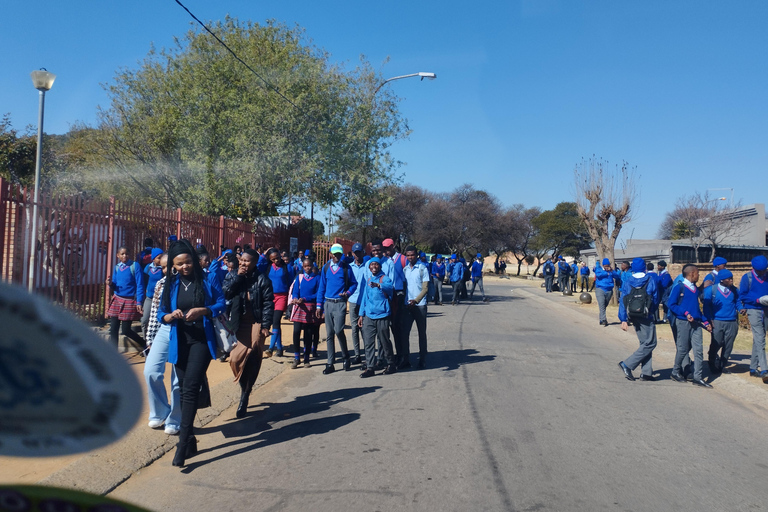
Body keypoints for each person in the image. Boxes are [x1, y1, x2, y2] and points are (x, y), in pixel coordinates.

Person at [158, 240, 226, 467]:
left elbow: (221, 303)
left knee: (189, 388)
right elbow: (162, 313)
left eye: (187, 262)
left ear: (194, 261)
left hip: (201, 341)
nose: (184, 267)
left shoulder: (208, 278)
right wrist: (170, 316)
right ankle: (191, 439)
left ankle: (181, 444)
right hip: (180, 342)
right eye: (179, 264)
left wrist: (204, 310)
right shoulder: (171, 283)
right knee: (182, 387)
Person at [222, 248, 273, 418]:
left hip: (257, 321)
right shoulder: (233, 275)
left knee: (254, 353)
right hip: (239, 322)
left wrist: (266, 325)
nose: (243, 263)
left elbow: (267, 304)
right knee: (235, 359)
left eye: (247, 261)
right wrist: (238, 276)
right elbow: (226, 292)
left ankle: (245, 396)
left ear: (255, 263)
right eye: (242, 260)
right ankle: (245, 385)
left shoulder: (263, 279)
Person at [143, 254, 181, 435]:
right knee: (151, 371)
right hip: (164, 330)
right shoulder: (160, 284)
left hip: (184, 331)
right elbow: (154, 315)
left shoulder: (189, 282)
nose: (166, 271)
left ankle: (175, 418)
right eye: (163, 267)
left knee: (178, 379)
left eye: (169, 266)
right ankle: (159, 411)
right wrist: (150, 339)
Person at [668, 264, 713, 388]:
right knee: (682, 349)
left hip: (696, 324)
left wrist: (706, 322)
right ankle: (675, 372)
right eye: (698, 273)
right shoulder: (679, 287)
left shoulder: (694, 289)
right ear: (692, 273)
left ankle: (697, 377)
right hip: (683, 322)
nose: (699, 276)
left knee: (698, 351)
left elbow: (696, 310)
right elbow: (671, 304)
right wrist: (685, 313)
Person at [317, 243, 358, 374]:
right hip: (328, 303)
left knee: (339, 330)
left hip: (340, 303)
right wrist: (319, 306)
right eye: (334, 254)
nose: (336, 257)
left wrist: (348, 293)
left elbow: (354, 284)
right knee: (329, 334)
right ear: (330, 254)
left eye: (339, 254)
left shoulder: (346, 268)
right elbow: (321, 287)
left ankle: (346, 357)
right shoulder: (326, 268)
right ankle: (330, 363)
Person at [617, 257, 659, 382]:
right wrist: (651, 311)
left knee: (644, 343)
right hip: (646, 314)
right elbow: (655, 298)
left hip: (633, 315)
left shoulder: (628, 281)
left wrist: (623, 318)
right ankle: (627, 364)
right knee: (651, 343)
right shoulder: (650, 280)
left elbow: (623, 300)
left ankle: (646, 372)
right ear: (645, 267)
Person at [357, 257, 396, 377]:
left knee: (384, 341)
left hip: (382, 315)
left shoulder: (385, 279)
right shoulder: (369, 280)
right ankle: (370, 367)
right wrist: (361, 314)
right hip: (369, 315)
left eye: (376, 264)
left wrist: (379, 285)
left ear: (380, 266)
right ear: (369, 267)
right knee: (368, 342)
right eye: (371, 265)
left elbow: (390, 289)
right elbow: (364, 298)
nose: (374, 266)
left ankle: (390, 363)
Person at [107, 246, 146, 351]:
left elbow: (140, 285)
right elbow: (114, 284)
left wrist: (139, 302)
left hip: (129, 301)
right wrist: (110, 284)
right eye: (122, 254)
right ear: (118, 255)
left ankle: (144, 344)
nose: (125, 256)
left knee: (126, 330)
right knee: (113, 329)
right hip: (117, 299)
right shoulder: (117, 267)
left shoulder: (135, 266)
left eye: (126, 253)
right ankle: (113, 352)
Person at [703, 269, 739, 375]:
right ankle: (712, 362)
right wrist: (709, 319)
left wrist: (741, 308)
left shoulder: (734, 290)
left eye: (732, 278)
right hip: (717, 320)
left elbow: (737, 301)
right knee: (716, 342)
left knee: (729, 344)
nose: (732, 280)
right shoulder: (712, 290)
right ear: (722, 280)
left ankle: (722, 365)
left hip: (732, 321)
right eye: (729, 279)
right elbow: (706, 306)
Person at [288, 257, 322, 369]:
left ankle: (306, 358)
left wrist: (305, 298)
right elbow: (295, 291)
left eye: (309, 266)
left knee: (308, 334)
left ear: (312, 266)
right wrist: (295, 298)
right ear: (302, 267)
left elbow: (318, 294)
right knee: (296, 331)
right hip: (299, 307)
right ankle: (296, 357)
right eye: (305, 266)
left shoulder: (317, 278)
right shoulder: (300, 277)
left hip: (310, 307)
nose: (307, 268)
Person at [739, 255, 768, 379]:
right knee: (760, 338)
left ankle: (752, 367)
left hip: (766, 309)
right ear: (754, 268)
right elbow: (742, 296)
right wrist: (757, 300)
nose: (763, 272)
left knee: (759, 338)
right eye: (760, 270)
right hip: (753, 309)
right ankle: (765, 370)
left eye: (764, 269)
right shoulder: (747, 278)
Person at [402, 246, 430, 369]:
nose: (410, 257)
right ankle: (406, 359)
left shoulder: (422, 268)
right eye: (408, 255)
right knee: (405, 333)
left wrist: (416, 300)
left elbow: (425, 288)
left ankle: (422, 359)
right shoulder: (405, 269)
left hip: (420, 306)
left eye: (412, 255)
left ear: (416, 255)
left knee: (421, 333)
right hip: (408, 306)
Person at [264, 248, 293, 358]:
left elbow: (291, 283)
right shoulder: (268, 267)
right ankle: (279, 348)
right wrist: (264, 254)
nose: (276, 260)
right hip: (271, 297)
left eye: (277, 258)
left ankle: (271, 348)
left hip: (282, 296)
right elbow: (258, 264)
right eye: (273, 259)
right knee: (276, 323)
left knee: (276, 320)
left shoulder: (287, 268)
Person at [382, 239, 408, 363]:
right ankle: (387, 356)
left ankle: (401, 355)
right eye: (384, 248)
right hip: (387, 296)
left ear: (393, 246)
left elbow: (408, 278)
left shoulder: (402, 259)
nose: (386, 250)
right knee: (387, 327)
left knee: (398, 327)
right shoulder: (383, 261)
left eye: (388, 247)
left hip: (399, 295)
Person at [347, 243, 369, 365]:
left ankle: (367, 354)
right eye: (355, 253)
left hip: (364, 301)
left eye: (359, 252)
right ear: (353, 253)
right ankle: (357, 354)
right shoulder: (350, 267)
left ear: (362, 252)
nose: (357, 255)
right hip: (353, 300)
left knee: (364, 329)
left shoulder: (368, 266)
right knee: (354, 328)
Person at [141, 248, 165, 338]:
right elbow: (144, 280)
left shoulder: (164, 269)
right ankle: (145, 340)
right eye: (159, 258)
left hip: (159, 300)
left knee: (157, 321)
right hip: (149, 298)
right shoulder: (148, 268)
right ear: (153, 259)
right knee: (144, 320)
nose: (161, 259)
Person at [593, 258, 619, 326]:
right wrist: (606, 272)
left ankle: (601, 319)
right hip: (600, 289)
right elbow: (598, 275)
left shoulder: (611, 271)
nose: (607, 267)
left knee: (604, 305)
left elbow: (617, 276)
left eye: (608, 265)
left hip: (609, 290)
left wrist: (612, 271)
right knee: (601, 304)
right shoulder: (599, 269)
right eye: (605, 266)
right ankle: (603, 319)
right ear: (603, 265)